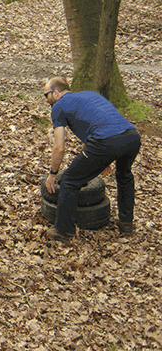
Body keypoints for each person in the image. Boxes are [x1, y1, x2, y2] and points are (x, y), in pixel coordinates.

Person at [43, 76, 141, 243]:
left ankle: (64, 231)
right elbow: (104, 122)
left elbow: (59, 148)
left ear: (56, 93)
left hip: (105, 142)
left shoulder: (58, 107)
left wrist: (53, 173)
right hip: (131, 137)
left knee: (69, 180)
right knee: (124, 177)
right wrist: (104, 159)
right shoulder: (90, 95)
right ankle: (126, 224)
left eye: (46, 95)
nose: (46, 100)